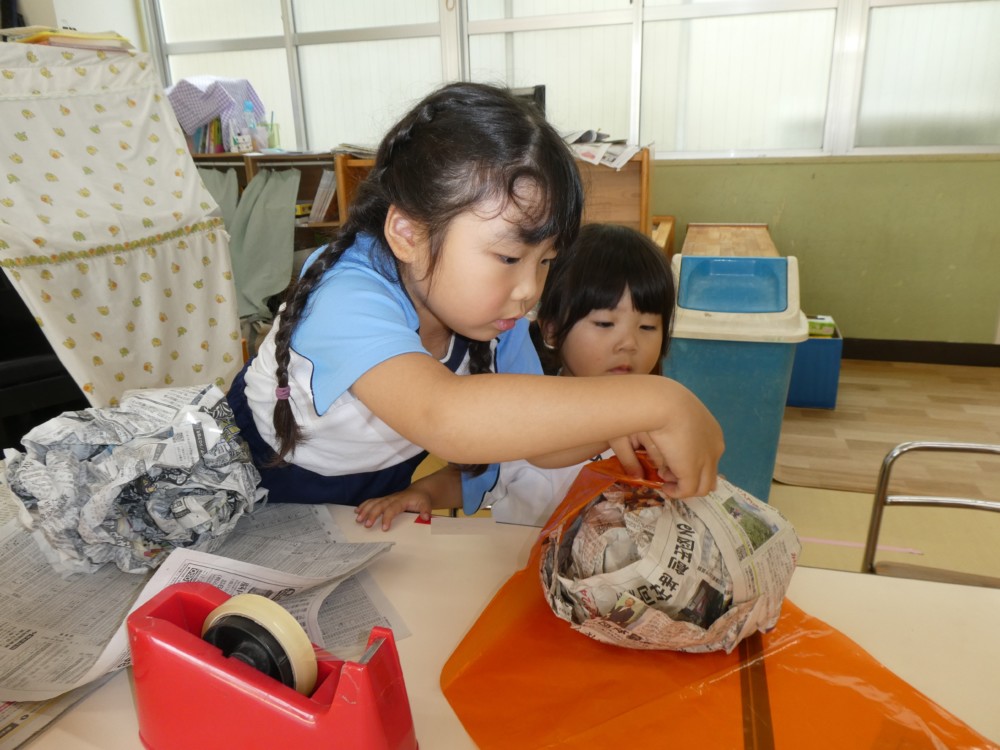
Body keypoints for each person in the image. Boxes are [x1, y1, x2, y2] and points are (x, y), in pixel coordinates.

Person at [227, 81, 722, 514]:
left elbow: (540, 448)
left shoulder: (494, 318)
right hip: (257, 477)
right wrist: (659, 400)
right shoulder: (346, 292)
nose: (529, 291)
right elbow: (444, 416)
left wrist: (622, 426)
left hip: (372, 482)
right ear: (409, 235)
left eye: (545, 261)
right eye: (509, 257)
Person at [356, 222, 685, 529]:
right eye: (604, 324)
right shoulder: (521, 411)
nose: (629, 343)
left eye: (647, 327)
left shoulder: (661, 425)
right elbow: (475, 478)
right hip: (519, 566)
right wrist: (424, 494)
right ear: (552, 329)